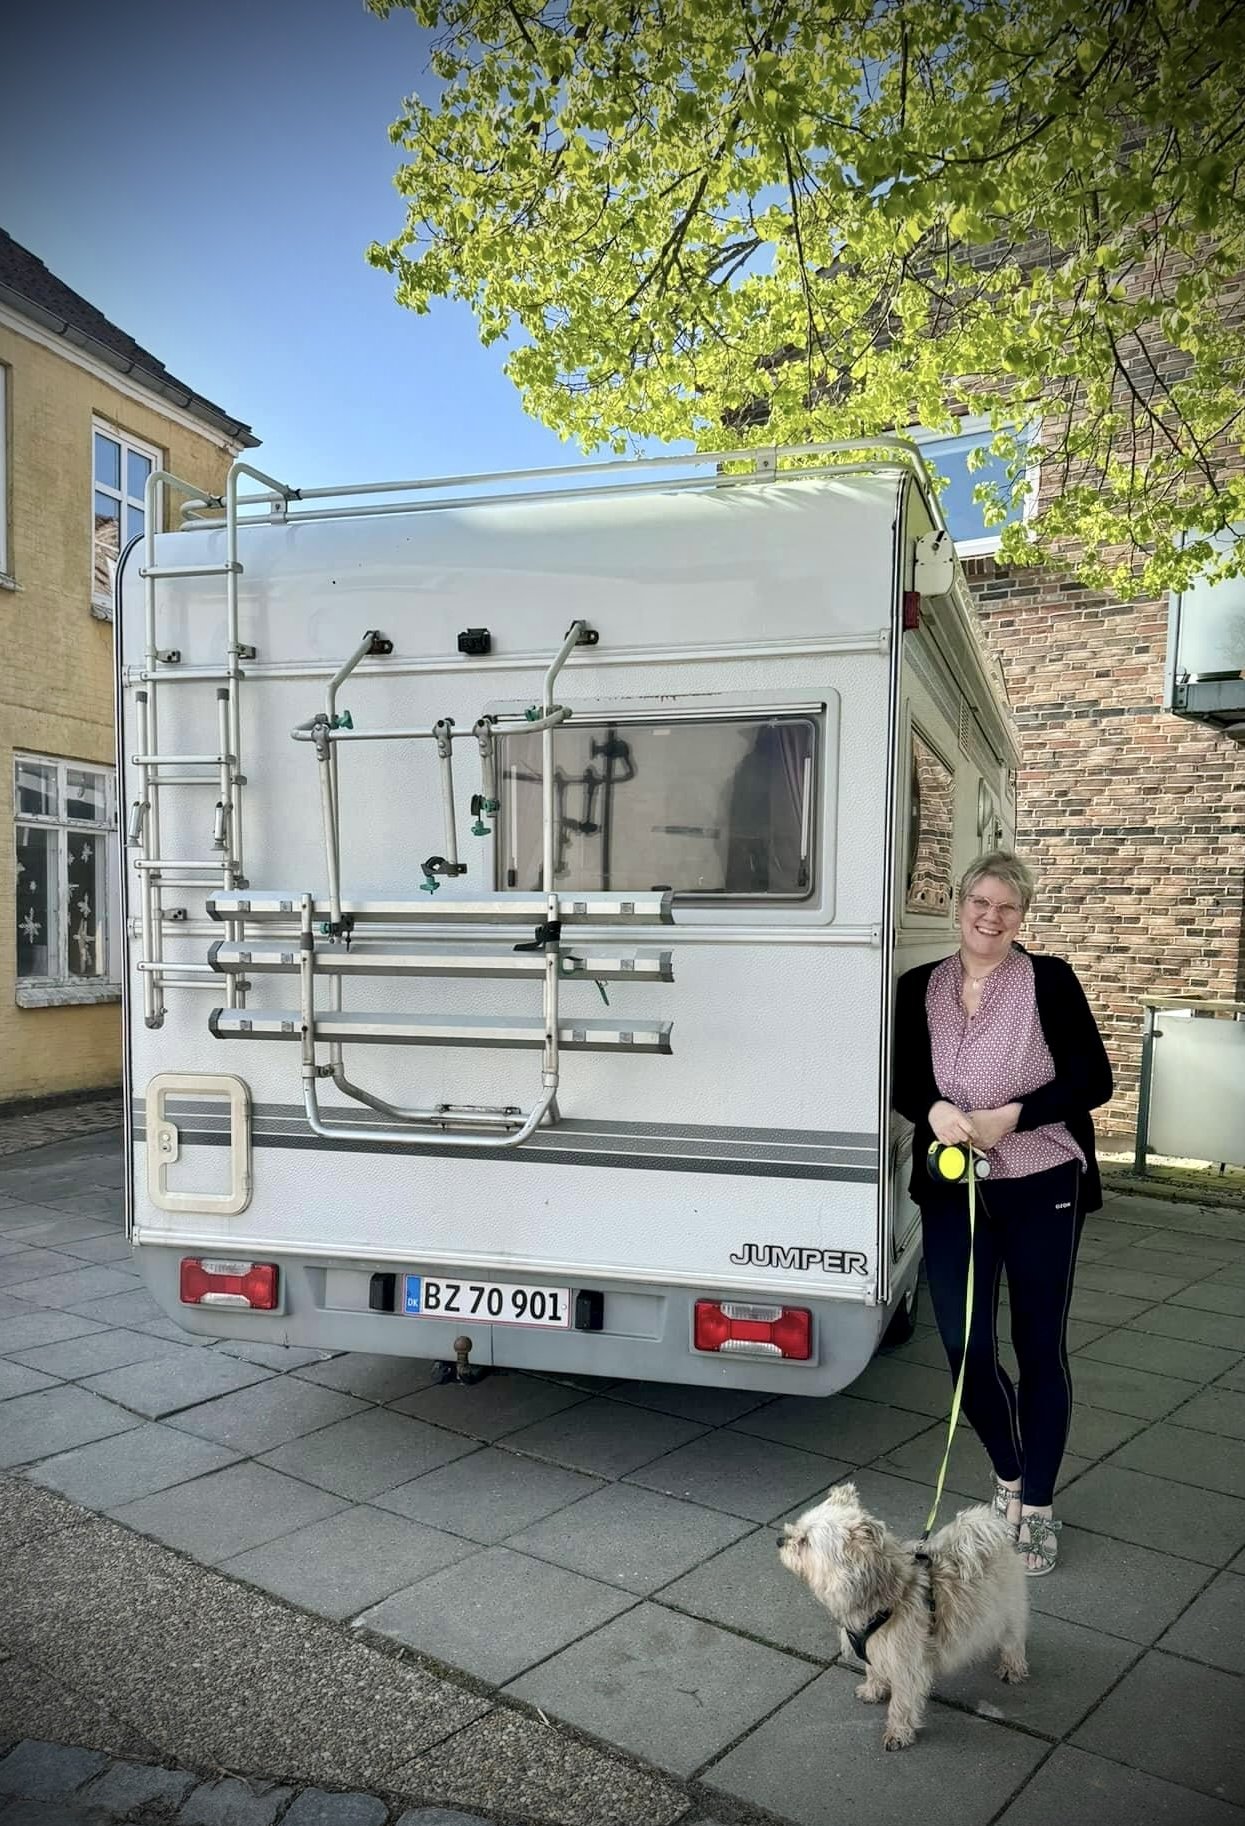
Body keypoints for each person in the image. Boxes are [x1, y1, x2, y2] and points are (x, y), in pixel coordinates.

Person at [892, 850, 1113, 1575]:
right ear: (958, 905)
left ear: (1022, 916)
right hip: (954, 1186)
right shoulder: (919, 986)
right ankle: (1010, 1475)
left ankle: (1037, 1506)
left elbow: (1093, 1079)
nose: (990, 918)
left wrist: (1011, 1115)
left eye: (1006, 907)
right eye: (980, 903)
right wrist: (933, 1108)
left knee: (1038, 1344)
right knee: (965, 1348)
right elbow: (900, 1076)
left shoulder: (1049, 980)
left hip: (1042, 1178)